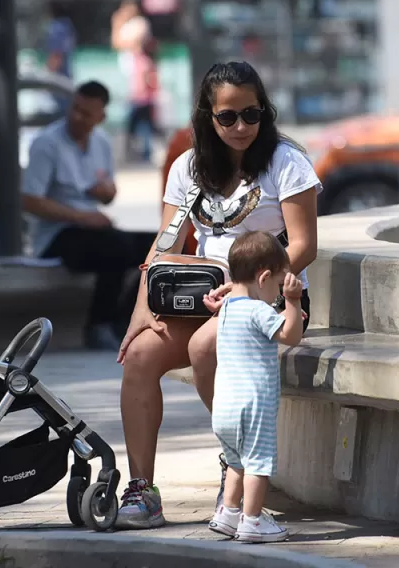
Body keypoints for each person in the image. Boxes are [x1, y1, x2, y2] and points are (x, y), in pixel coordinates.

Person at [114, 61, 321, 530]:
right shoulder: (188, 167)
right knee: (141, 355)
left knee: (205, 345)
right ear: (207, 116)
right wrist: (140, 311)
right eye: (228, 117)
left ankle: (236, 462)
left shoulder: (287, 162)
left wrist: (247, 290)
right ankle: (142, 490)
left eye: (252, 114)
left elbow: (304, 245)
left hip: (270, 298)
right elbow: (165, 245)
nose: (242, 126)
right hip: (201, 297)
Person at [21, 81, 156, 350]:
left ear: (101, 117)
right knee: (116, 248)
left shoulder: (101, 143)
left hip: (94, 230)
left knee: (157, 246)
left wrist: (105, 192)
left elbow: (108, 194)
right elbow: (30, 201)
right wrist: (82, 217)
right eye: (75, 109)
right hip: (56, 236)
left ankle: (125, 319)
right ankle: (98, 325)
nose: (77, 117)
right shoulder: (47, 143)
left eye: (86, 113)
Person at [203, 231, 305, 543]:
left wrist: (285, 310)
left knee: (236, 461)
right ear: (263, 277)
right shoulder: (259, 310)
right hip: (255, 404)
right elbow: (291, 336)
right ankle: (252, 521)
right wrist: (292, 301)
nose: (276, 290)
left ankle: (228, 513)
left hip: (225, 407)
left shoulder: (227, 310)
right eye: (276, 284)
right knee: (258, 464)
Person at [126, 37, 160, 163]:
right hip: (140, 99)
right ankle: (139, 153)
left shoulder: (143, 61)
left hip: (142, 99)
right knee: (139, 127)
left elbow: (149, 81)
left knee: (143, 127)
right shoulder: (144, 61)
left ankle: (144, 153)